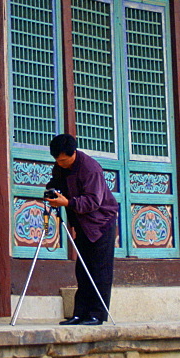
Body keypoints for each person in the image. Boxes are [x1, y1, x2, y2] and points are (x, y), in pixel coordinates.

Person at [45, 133, 118, 326]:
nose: (60, 164)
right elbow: (57, 184)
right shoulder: (60, 167)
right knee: (82, 270)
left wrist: (67, 202)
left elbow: (94, 201)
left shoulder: (90, 168)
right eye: (57, 160)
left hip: (101, 223)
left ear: (73, 153)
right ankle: (79, 313)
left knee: (99, 270)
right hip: (82, 224)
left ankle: (96, 314)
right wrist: (52, 192)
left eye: (63, 160)